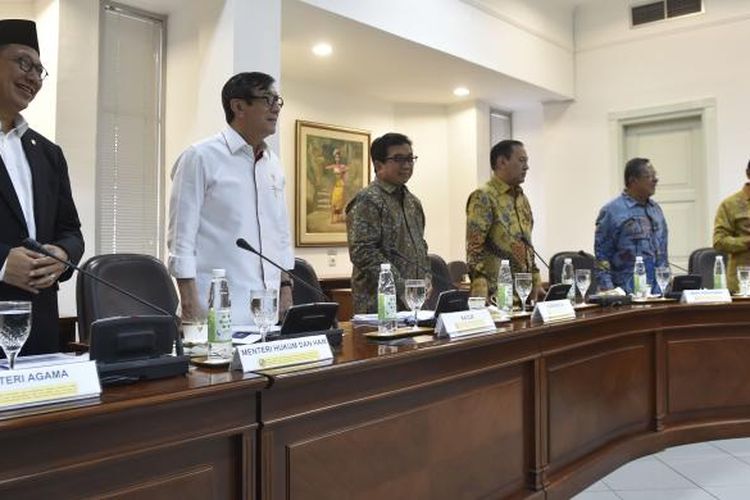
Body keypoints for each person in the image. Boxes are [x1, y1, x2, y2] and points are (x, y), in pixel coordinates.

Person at [168, 72, 294, 325]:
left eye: (277, 101)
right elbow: (181, 238)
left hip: (267, 311)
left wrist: (285, 287)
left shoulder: (272, 164)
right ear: (238, 106)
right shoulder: (200, 157)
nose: (275, 109)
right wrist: (190, 306)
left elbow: (280, 234)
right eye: (267, 99)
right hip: (217, 311)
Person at [0, 19, 84, 355]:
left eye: (39, 69)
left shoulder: (48, 152)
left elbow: (71, 230)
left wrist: (63, 256)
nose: (34, 77)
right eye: (23, 63)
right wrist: (3, 262)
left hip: (39, 325)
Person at [346, 132, 429, 314]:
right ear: (378, 164)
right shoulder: (368, 200)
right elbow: (363, 252)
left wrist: (426, 277)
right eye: (399, 159)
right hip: (378, 306)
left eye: (410, 158)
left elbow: (420, 245)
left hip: (413, 304)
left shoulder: (413, 202)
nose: (407, 165)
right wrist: (401, 288)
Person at [466, 139, 542, 303]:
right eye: (521, 160)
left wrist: (536, 280)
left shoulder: (522, 199)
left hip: (524, 293)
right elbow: (474, 247)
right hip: (497, 295)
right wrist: (480, 286)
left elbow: (528, 246)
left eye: (527, 161)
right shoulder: (483, 196)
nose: (526, 167)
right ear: (502, 162)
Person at [594, 157, 668, 293]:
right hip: (625, 295)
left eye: (655, 175)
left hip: (658, 294)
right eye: (649, 176)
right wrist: (609, 293)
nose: (655, 179)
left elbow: (663, 255)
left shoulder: (656, 210)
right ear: (633, 180)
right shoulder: (612, 211)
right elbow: (602, 258)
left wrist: (666, 285)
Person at [713, 159, 750, 293]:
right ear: (748, 173)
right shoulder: (730, 204)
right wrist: (747, 241)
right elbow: (719, 242)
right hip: (743, 284)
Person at [324, 148, 348, 224]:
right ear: (334, 158)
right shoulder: (333, 166)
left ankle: (338, 218)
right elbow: (327, 168)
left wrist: (342, 171)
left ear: (340, 158)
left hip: (340, 184)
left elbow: (347, 169)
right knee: (333, 201)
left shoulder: (342, 166)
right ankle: (332, 218)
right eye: (336, 157)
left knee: (339, 201)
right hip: (336, 184)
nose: (337, 159)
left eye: (338, 157)